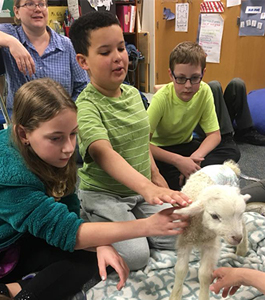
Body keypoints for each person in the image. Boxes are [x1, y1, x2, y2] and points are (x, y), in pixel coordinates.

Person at [0, 78, 190, 300]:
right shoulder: (12, 178)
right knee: (89, 250)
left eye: (73, 134)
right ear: (24, 135)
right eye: (56, 138)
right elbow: (69, 232)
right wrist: (147, 226)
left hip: (27, 235)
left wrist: (98, 244)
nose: (69, 148)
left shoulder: (50, 153)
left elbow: (69, 212)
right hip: (6, 253)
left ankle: (12, 288)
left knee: (101, 256)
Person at [69, 11, 192, 271]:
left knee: (183, 234)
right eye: (105, 52)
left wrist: (156, 178)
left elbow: (140, 142)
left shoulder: (135, 94)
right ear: (83, 61)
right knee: (136, 257)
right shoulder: (86, 105)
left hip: (139, 190)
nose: (118, 57)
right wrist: (148, 189)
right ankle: (90, 220)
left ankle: (133, 224)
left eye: (122, 48)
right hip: (105, 195)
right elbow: (104, 154)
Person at [147, 41, 241, 191]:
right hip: (162, 151)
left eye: (195, 78)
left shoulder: (204, 91)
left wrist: (193, 158)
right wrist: (178, 161)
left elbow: (215, 135)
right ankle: (192, 173)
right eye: (181, 78)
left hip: (187, 147)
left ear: (203, 73)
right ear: (171, 75)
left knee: (232, 150)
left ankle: (191, 171)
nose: (188, 85)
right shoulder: (161, 98)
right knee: (157, 172)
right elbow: (143, 143)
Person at [0, 0, 88, 110]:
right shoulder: (11, 34)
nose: (38, 9)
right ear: (16, 12)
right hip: (22, 121)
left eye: (42, 4)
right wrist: (11, 42)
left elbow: (82, 87)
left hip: (61, 119)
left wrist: (70, 113)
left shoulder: (66, 45)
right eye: (30, 4)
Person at [208, 78, 265, 146]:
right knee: (213, 86)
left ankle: (245, 130)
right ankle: (225, 135)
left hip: (220, 118)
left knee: (237, 84)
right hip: (209, 124)